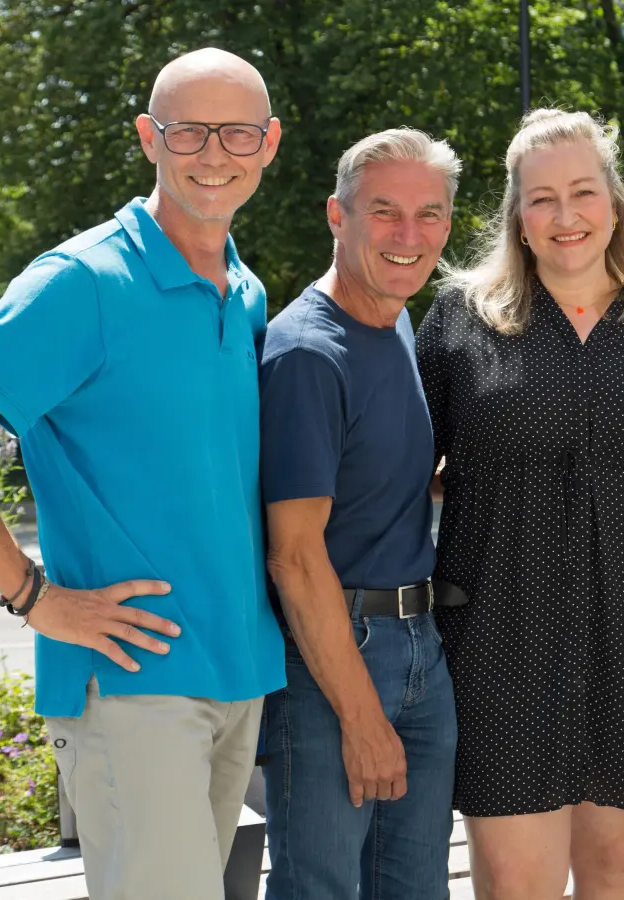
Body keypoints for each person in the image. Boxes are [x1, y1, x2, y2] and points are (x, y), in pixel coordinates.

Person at [0, 48, 284, 900]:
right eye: (190, 131)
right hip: (131, 687)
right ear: (149, 138)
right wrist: (33, 597)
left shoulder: (242, 288)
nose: (215, 153)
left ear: (270, 144)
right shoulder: (83, 282)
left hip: (236, 669)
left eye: (238, 132)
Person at [417, 108, 624, 900]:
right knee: (519, 882)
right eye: (542, 199)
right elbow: (397, 473)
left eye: (584, 193)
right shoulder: (461, 323)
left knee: (618, 877)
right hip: (501, 636)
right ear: (517, 218)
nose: (567, 217)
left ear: (616, 204)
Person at [258, 128, 460, 900]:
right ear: (337, 217)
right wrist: (361, 716)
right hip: (335, 661)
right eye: (385, 212)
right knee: (322, 890)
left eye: (430, 214)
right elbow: (294, 556)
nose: (410, 236)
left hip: (420, 646)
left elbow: (371, 476)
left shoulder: (398, 321)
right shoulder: (309, 353)